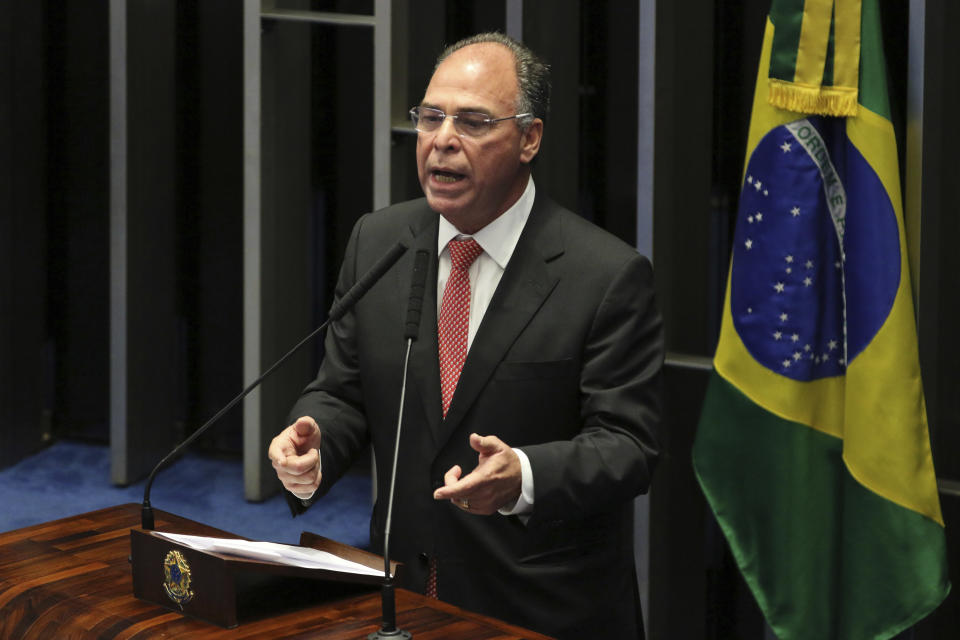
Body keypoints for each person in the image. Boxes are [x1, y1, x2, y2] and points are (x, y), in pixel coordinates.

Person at [268, 32, 663, 639]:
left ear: (529, 137)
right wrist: (315, 439)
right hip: (400, 599)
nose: (442, 139)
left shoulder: (605, 276)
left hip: (537, 607)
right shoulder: (380, 241)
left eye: (474, 121)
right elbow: (343, 390)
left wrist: (523, 475)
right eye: (431, 117)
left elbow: (628, 446)